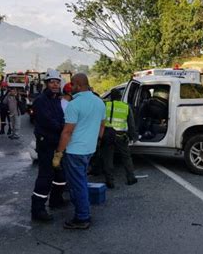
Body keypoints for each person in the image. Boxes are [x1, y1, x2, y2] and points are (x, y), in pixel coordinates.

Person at [53, 73, 106, 229]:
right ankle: (83, 211)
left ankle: (82, 217)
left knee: (77, 184)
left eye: (72, 84)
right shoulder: (99, 102)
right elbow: (102, 127)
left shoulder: (74, 105)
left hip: (74, 151)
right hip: (89, 149)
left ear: (77, 85)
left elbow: (67, 132)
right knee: (81, 180)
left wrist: (58, 153)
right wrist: (95, 142)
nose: (71, 87)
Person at [31, 69, 67, 222]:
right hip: (46, 144)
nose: (55, 84)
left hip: (57, 143)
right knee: (46, 176)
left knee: (60, 174)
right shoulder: (40, 101)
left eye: (57, 82)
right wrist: (64, 128)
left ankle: (56, 200)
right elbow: (48, 121)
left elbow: (61, 117)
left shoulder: (56, 99)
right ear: (46, 83)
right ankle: (38, 210)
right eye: (52, 82)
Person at [101, 88, 138, 189]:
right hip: (121, 135)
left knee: (108, 158)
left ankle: (110, 181)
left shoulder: (105, 105)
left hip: (108, 135)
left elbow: (100, 120)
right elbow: (131, 124)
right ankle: (131, 178)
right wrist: (133, 136)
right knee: (126, 157)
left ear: (111, 97)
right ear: (120, 97)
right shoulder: (126, 107)